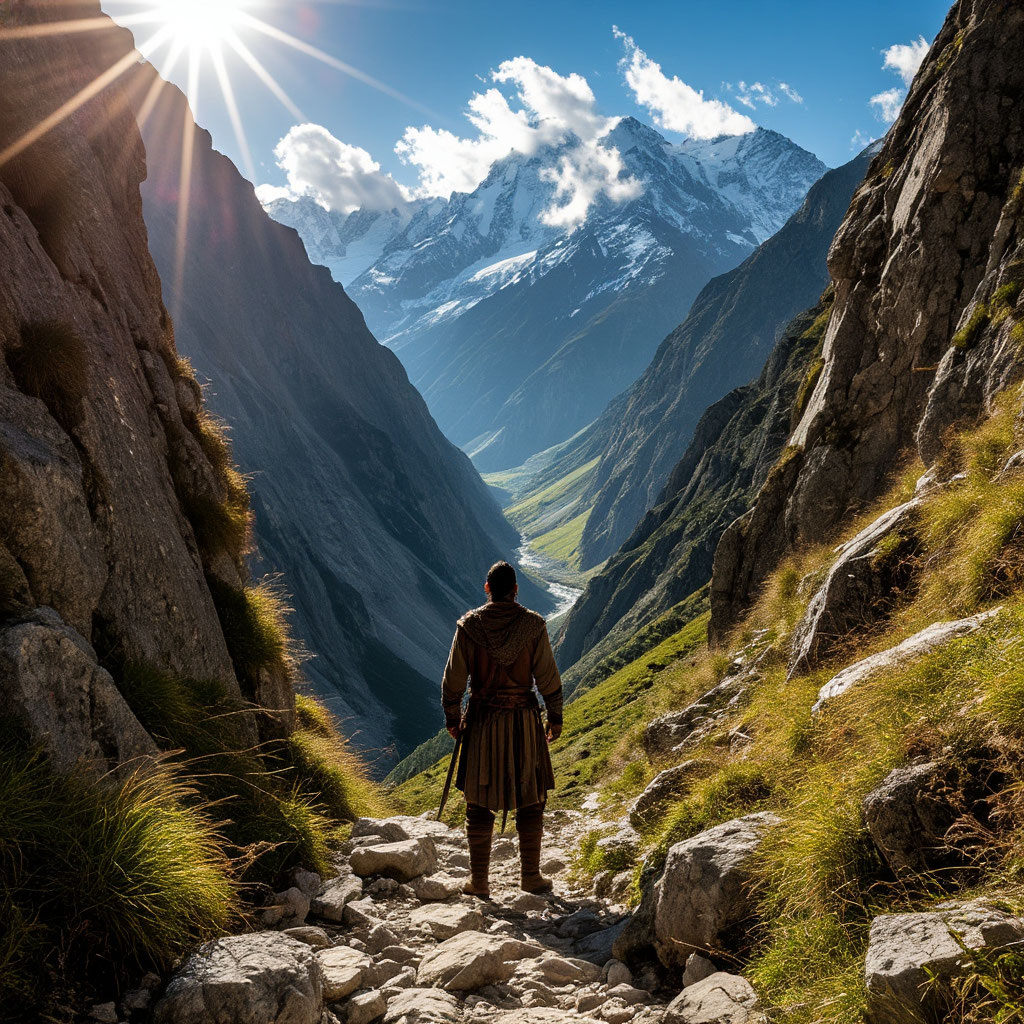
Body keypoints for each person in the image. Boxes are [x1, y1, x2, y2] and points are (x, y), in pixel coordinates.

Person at [441, 560, 563, 898]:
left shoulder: (469, 627)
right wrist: (555, 717)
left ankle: (479, 882)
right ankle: (530, 877)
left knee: (479, 802)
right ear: (516, 590)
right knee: (531, 797)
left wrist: (453, 718)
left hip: (482, 722)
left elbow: (453, 681)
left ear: (487, 589)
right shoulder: (533, 626)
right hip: (524, 721)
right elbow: (548, 677)